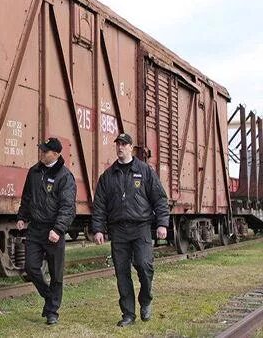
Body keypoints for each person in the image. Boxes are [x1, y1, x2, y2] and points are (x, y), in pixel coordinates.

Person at [91, 133, 170, 327]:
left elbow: (159, 199)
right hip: (118, 230)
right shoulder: (108, 176)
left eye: (124, 144)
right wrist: (98, 229)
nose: (120, 147)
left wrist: (162, 223)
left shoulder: (145, 171)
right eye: (118, 144)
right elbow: (99, 205)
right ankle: (128, 314)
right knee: (122, 272)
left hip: (141, 227)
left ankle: (146, 299)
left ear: (131, 147)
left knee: (144, 266)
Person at [17, 137, 77, 325]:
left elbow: (68, 207)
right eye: (41, 150)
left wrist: (58, 229)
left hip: (53, 231)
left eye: (45, 151)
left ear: (56, 154)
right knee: (31, 267)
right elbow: (27, 197)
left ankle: (52, 312)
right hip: (35, 228)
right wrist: (21, 217)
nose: (41, 153)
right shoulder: (34, 172)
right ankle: (49, 296)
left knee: (56, 273)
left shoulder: (65, 176)